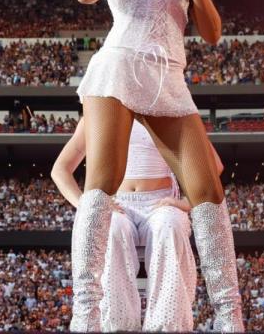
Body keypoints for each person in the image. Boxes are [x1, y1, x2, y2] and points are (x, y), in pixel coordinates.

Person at [71, 0, 242, 332]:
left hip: (167, 75)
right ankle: (85, 316)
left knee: (208, 191)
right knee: (102, 182)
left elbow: (211, 32)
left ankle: (231, 319)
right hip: (119, 66)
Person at [53, 118, 222, 331]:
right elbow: (60, 170)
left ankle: (167, 326)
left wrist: (186, 203)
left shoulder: (172, 111)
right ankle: (118, 327)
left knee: (169, 225)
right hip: (118, 203)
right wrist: (87, 207)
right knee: (111, 227)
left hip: (161, 202)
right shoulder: (98, 112)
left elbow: (214, 166)